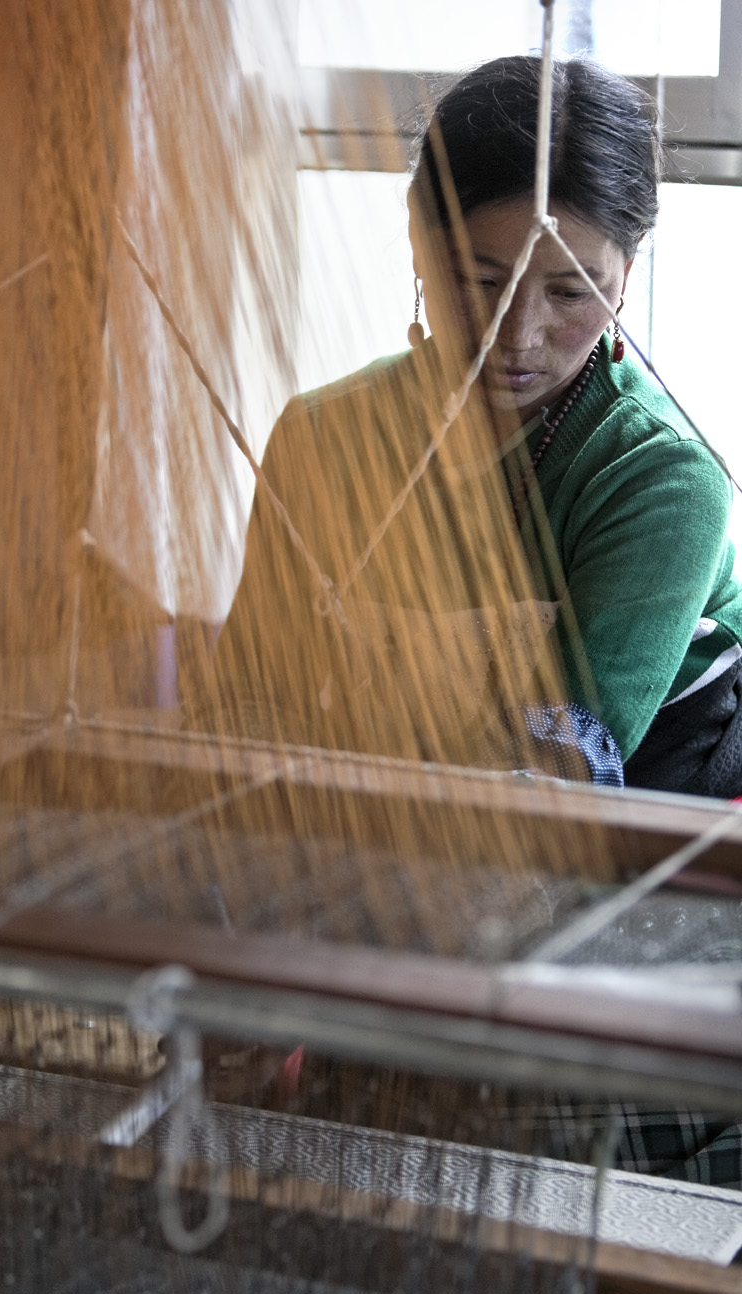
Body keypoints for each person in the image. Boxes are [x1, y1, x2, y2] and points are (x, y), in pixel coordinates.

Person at [215, 56, 742, 797]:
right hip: (388, 814)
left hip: (636, 830)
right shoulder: (321, 437)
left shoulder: (662, 479)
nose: (518, 335)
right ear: (418, 243)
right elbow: (245, 702)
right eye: (479, 280)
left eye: (570, 290)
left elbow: (565, 772)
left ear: (629, 273)